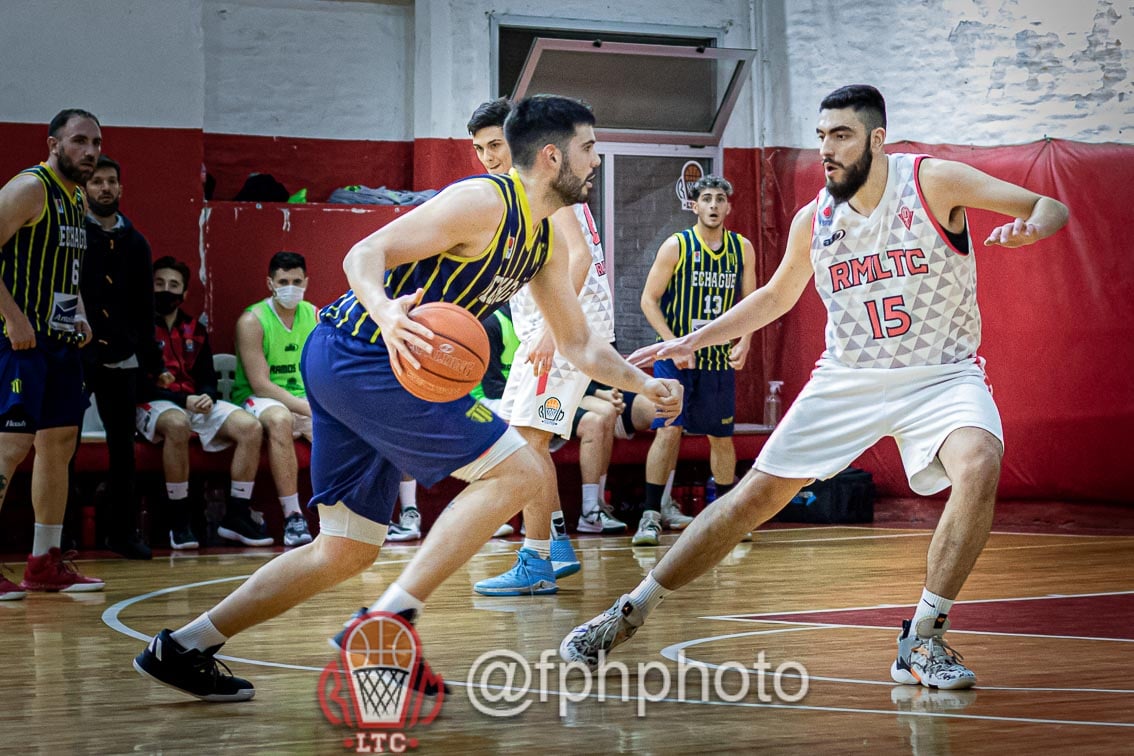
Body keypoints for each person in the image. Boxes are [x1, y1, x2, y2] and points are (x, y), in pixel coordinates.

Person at [132, 94, 681, 702]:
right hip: (364, 353)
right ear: (553, 157)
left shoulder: (543, 240)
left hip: (364, 366)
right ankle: (387, 623)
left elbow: (577, 342)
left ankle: (183, 646)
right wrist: (389, 316)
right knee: (523, 471)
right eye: (589, 149)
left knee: (344, 549)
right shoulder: (480, 202)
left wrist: (641, 381)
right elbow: (362, 254)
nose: (596, 161)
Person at [560, 84, 1069, 691]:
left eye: (842, 136)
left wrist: (1033, 228)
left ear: (877, 139)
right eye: (821, 135)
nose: (826, 148)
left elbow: (1046, 204)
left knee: (981, 461)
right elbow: (775, 296)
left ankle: (924, 637)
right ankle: (631, 610)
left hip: (941, 375)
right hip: (848, 377)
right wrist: (691, 340)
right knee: (749, 500)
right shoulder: (815, 219)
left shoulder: (933, 182)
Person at [467, 97, 627, 598]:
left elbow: (577, 259)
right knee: (527, 439)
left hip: (561, 332)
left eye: (496, 144)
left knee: (526, 443)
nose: (489, 157)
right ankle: (555, 546)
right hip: (560, 330)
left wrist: (549, 334)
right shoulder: (525, 188)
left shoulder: (540, 184)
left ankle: (535, 561)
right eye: (480, 149)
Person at [0, 108, 104, 599]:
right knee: (10, 447)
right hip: (16, 340)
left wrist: (78, 312)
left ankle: (43, 561)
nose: (90, 151)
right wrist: (15, 319)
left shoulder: (77, 198)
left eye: (96, 143)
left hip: (59, 342)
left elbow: (66, 271)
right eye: (79, 141)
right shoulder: (29, 188)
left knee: (58, 445)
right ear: (53, 143)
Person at [632, 174, 756, 547]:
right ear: (695, 205)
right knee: (668, 430)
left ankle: (727, 517)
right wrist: (674, 345)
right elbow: (648, 300)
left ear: (728, 206)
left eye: (720, 199)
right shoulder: (677, 245)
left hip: (717, 359)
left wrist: (746, 341)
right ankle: (651, 515)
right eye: (707, 199)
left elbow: (753, 305)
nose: (714, 205)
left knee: (721, 436)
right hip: (675, 358)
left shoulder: (742, 248)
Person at [138, 256, 271, 549]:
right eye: (159, 283)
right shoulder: (139, 326)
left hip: (193, 402)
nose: (166, 290)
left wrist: (208, 397)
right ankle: (180, 520)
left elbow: (207, 377)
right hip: (154, 404)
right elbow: (140, 386)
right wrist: (184, 399)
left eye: (174, 285)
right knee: (177, 423)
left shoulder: (193, 329)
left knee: (250, 427)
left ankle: (236, 515)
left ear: (184, 293)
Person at [80, 154, 170, 560]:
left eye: (111, 181)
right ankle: (61, 536)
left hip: (123, 356)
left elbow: (145, 304)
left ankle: (123, 531)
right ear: (85, 188)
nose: (104, 188)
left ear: (120, 187)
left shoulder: (137, 242)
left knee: (123, 450)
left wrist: (152, 361)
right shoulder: (73, 235)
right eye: (97, 181)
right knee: (61, 445)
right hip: (77, 354)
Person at [232, 251, 317, 547]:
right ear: (270, 283)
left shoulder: (314, 314)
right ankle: (293, 516)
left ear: (306, 281)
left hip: (301, 397)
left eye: (296, 281)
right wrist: (308, 407)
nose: (290, 287)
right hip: (257, 399)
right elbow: (260, 384)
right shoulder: (252, 320)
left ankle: (348, 513)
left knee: (343, 425)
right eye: (283, 281)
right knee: (280, 419)